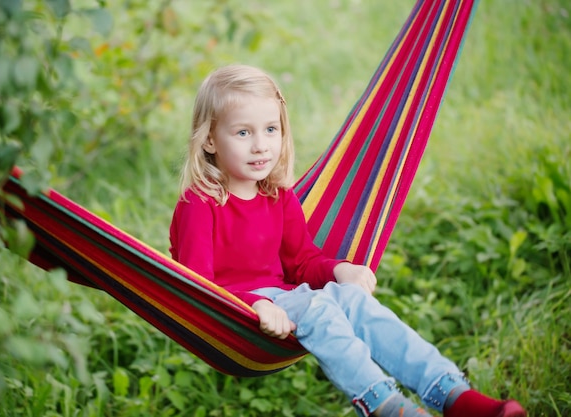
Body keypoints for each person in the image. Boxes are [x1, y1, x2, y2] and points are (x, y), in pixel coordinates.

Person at [169, 64, 526, 417]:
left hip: (289, 300)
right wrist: (254, 307)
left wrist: (340, 269)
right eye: (243, 133)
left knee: (353, 300)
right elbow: (199, 289)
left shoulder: (278, 196)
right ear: (211, 139)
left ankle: (452, 394)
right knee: (318, 308)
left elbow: (302, 263)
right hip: (237, 313)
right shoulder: (199, 205)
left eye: (271, 129)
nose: (261, 145)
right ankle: (384, 405)